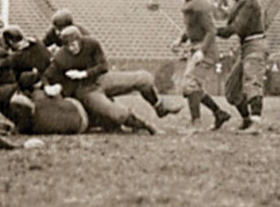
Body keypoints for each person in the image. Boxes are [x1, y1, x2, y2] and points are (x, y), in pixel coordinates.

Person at [44, 26, 181, 134]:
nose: (72, 48)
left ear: (80, 40)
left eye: (74, 44)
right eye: (67, 46)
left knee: (144, 78)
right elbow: (47, 76)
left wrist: (84, 73)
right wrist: (49, 87)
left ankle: (159, 107)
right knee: (118, 113)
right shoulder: (61, 57)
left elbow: (104, 66)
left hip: (101, 78)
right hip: (86, 91)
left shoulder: (91, 43)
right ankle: (145, 126)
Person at [171, 0, 231, 133]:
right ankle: (219, 113)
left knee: (190, 84)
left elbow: (211, 31)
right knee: (191, 87)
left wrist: (202, 51)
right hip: (197, 48)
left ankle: (196, 123)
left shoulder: (201, 5)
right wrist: (180, 39)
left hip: (206, 51)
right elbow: (191, 27)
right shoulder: (191, 4)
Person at [217, 0, 268, 134]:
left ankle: (256, 123)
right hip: (245, 47)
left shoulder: (249, 1)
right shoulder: (241, 3)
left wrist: (210, 30)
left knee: (252, 83)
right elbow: (229, 28)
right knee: (232, 90)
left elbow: (234, 29)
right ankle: (246, 120)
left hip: (256, 45)